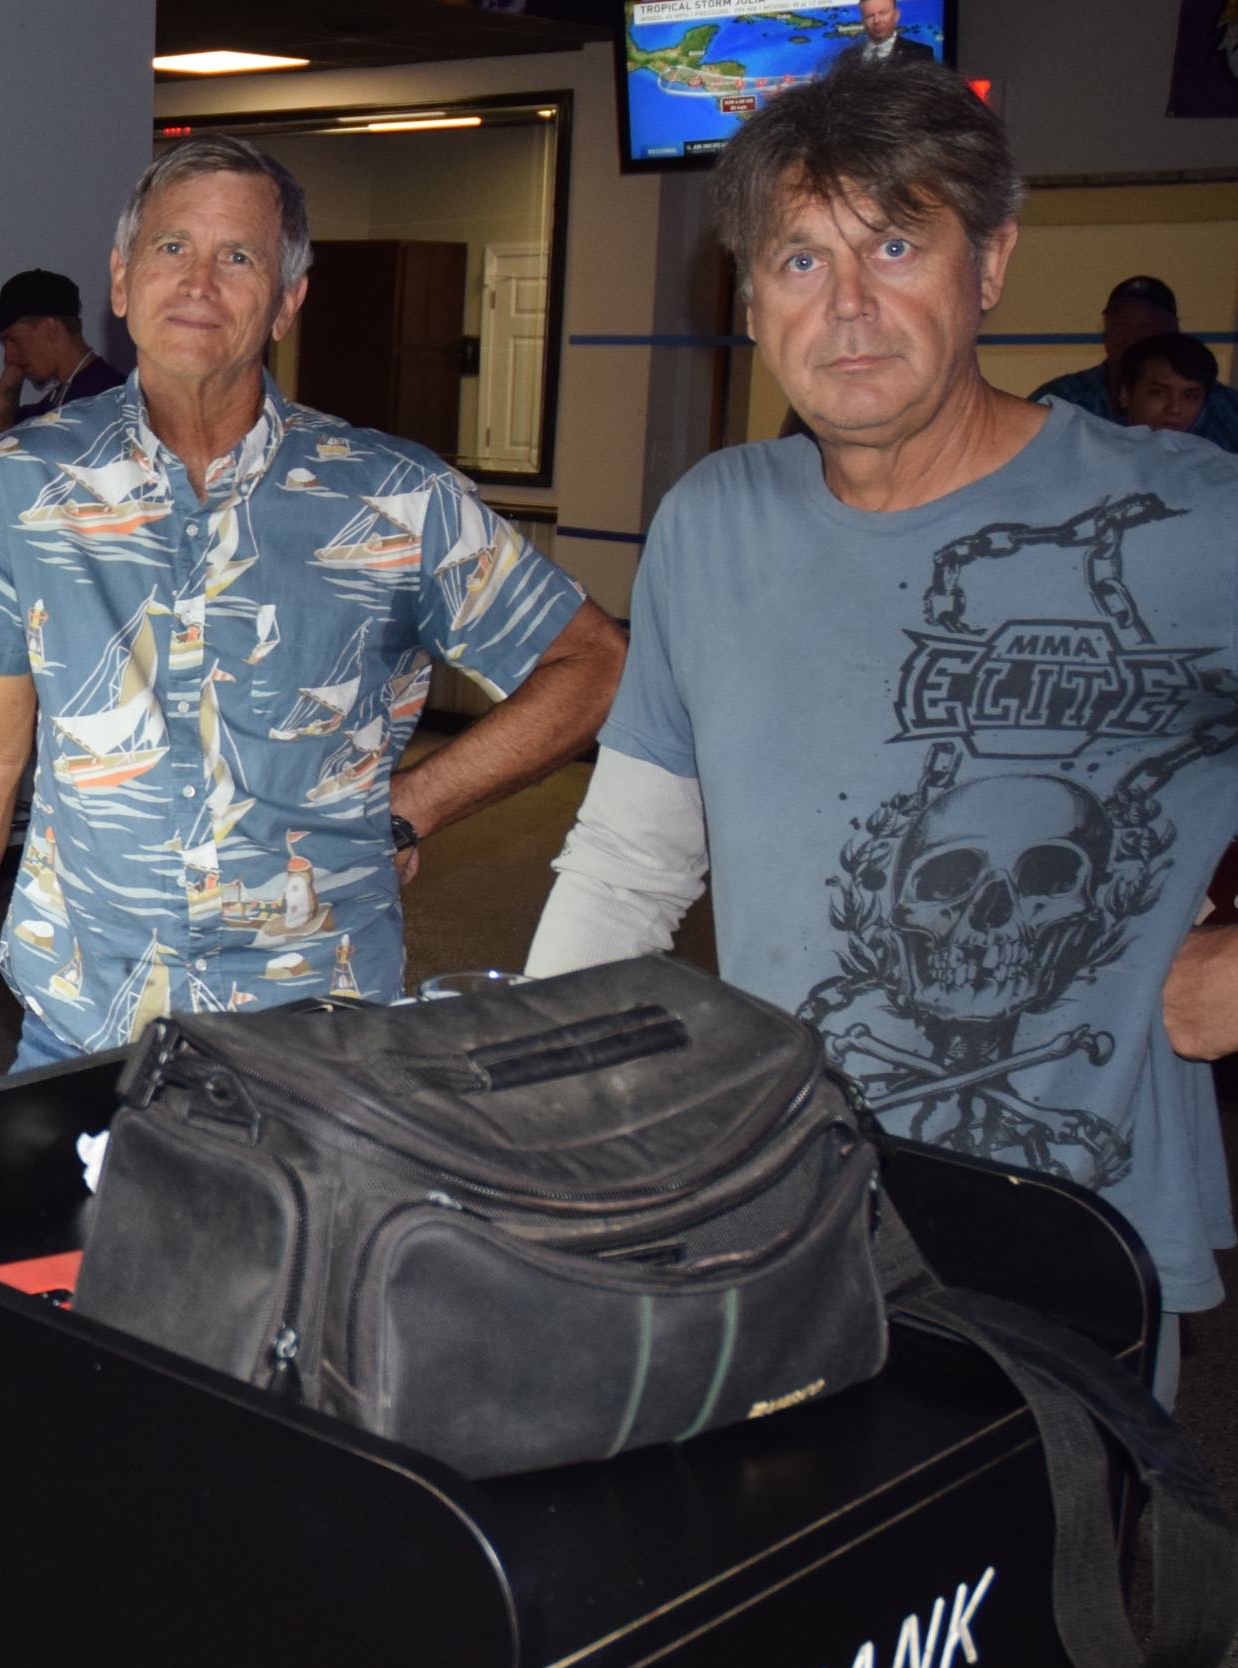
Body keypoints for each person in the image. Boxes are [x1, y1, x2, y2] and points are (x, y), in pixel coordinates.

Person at [524, 57, 1238, 1403]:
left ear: (988, 266)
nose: (844, 307)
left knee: (1041, 1597)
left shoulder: (1178, 520)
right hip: (784, 1205)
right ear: (746, 300)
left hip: (1067, 1238)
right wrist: (525, 1108)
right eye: (797, 260)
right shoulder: (711, 522)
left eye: (894, 243)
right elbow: (628, 865)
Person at [0, 135, 627, 1068]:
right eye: (171, 248)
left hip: (315, 1027)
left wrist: (413, 803)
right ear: (121, 283)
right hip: (82, 1019)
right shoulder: (28, 481)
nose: (198, 282)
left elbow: (592, 662)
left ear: (286, 301)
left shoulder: (392, 497)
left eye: (237, 257)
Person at [1029, 274, 1238, 452]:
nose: (1133, 335)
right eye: (1122, 323)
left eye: (1148, 324)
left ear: (1174, 330)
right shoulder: (1062, 399)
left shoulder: (1225, 408)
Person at [0, 268, 128, 444]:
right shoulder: (56, 402)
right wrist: (14, 367)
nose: (9, 358)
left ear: (50, 328)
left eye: (13, 340)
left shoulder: (106, 398)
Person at [1112, 328, 1224, 439]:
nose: (1174, 409)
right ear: (1125, 395)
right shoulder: (1099, 452)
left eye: (1190, 396)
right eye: (1159, 393)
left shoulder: (1215, 456)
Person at [851, 0, 936, 63]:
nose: (876, 20)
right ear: (862, 21)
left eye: (882, 13)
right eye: (869, 16)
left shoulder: (920, 54)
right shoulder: (848, 57)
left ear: (896, 15)